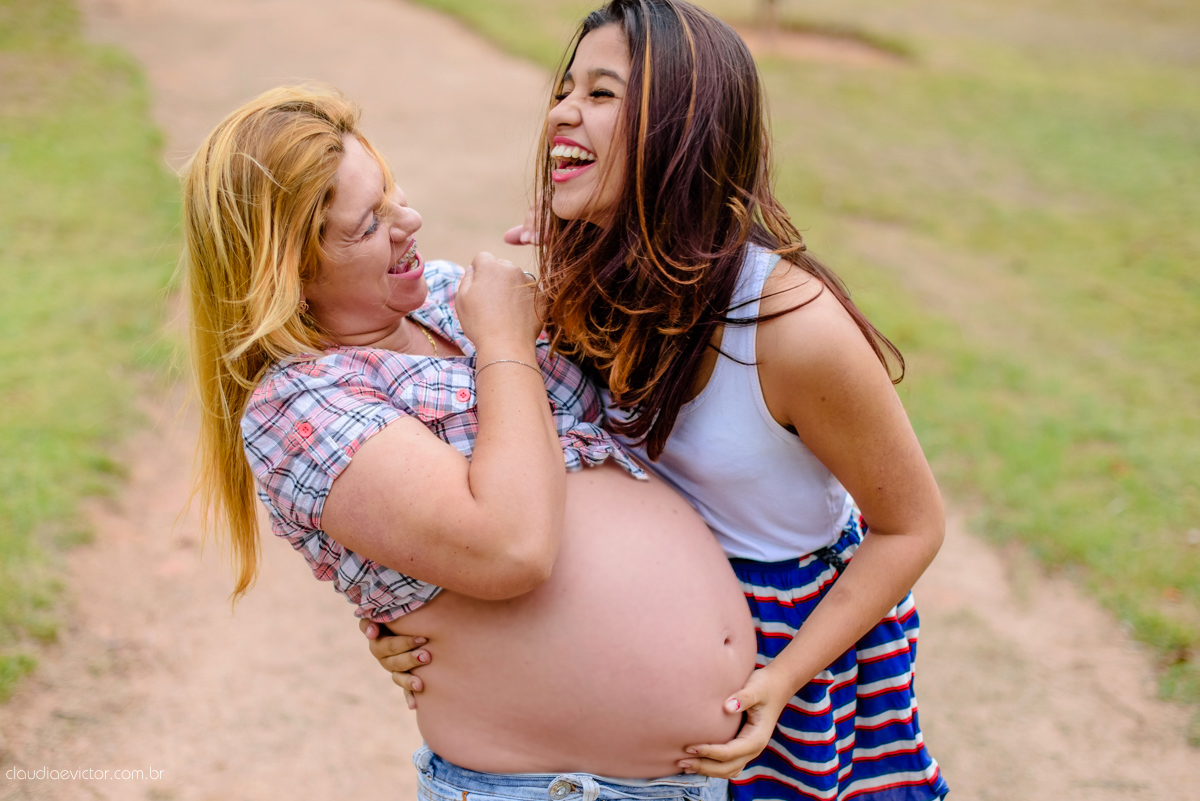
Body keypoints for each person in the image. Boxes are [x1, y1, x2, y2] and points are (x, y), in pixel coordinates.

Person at [368, 2, 949, 799]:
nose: (563, 111)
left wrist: (785, 677)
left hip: (786, 665)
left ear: (683, 132)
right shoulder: (577, 287)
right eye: (566, 88)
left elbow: (912, 524)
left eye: (603, 94)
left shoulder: (790, 328)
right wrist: (406, 623)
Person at [183, 83, 761, 801]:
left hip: (693, 776)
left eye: (392, 192)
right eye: (369, 224)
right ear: (290, 272)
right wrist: (505, 340)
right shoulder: (296, 405)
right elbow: (510, 546)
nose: (411, 221)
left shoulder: (444, 298)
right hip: (553, 785)